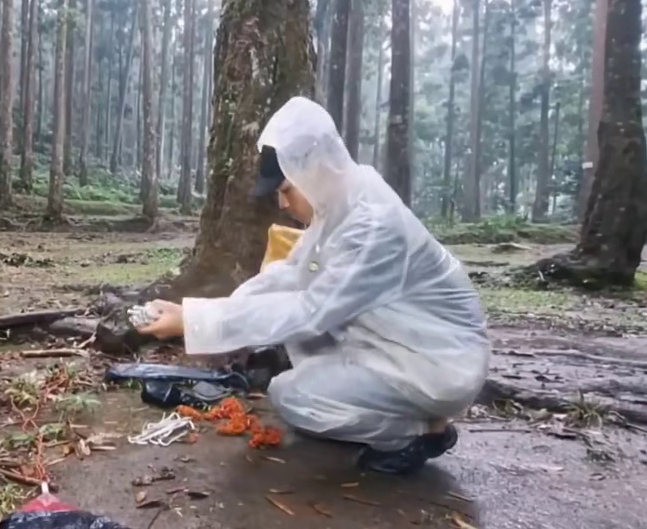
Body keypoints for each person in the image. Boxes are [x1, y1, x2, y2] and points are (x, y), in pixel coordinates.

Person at [137, 96, 489, 475]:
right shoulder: (340, 207)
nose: (282, 204)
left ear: (315, 169)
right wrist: (196, 314)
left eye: (286, 189)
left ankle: (420, 433)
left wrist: (194, 321)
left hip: (436, 363)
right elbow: (289, 275)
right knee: (297, 347)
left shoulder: (372, 224)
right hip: (399, 344)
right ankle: (398, 411)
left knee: (293, 397)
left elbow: (310, 309)